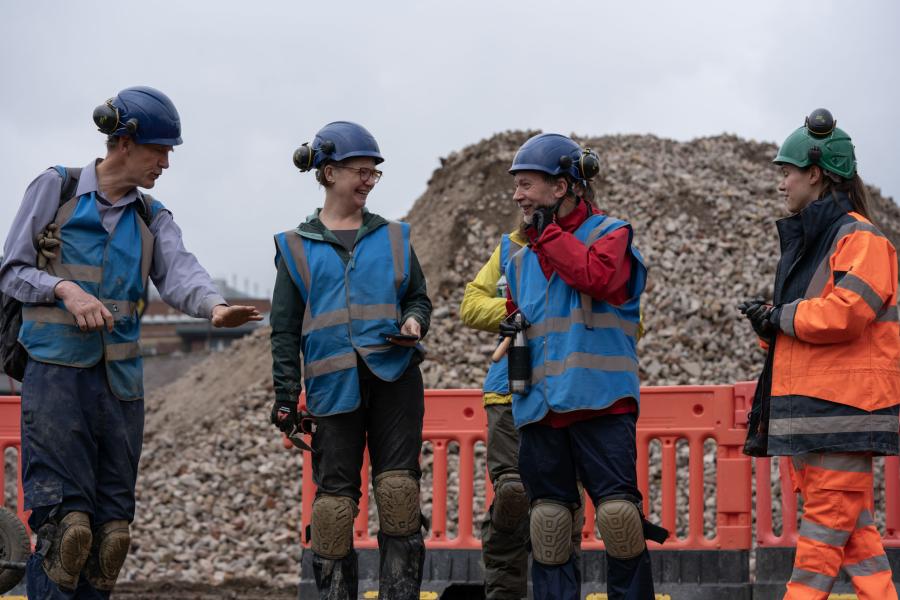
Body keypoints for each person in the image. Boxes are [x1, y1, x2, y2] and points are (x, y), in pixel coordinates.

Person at [0, 86, 262, 599]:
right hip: (56, 380)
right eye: (158, 150)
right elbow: (11, 270)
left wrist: (214, 307)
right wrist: (63, 289)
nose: (165, 162)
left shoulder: (150, 216)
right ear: (123, 142)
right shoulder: (56, 189)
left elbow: (181, 272)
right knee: (65, 532)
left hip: (120, 388)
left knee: (109, 538)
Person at [740, 109, 899, 600]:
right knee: (855, 539)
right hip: (813, 415)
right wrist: (770, 324)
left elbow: (847, 314)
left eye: (785, 171)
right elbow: (806, 327)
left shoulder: (862, 239)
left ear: (815, 173)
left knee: (821, 543)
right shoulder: (813, 242)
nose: (781, 182)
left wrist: (780, 316)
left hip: (839, 416)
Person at [270, 121, 432, 599]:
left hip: (395, 378)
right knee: (334, 511)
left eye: (373, 173)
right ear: (327, 173)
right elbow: (283, 330)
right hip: (331, 388)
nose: (367, 180)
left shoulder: (396, 237)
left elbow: (418, 298)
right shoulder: (294, 247)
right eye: (360, 171)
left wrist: (415, 321)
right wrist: (284, 398)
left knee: (400, 496)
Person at [501, 133, 665, 600]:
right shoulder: (516, 261)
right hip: (539, 408)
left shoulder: (612, 234)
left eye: (527, 184)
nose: (518, 195)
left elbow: (596, 278)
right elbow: (520, 326)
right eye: (517, 185)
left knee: (619, 521)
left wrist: (548, 235)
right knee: (549, 527)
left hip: (601, 402)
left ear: (562, 187)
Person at [459, 223, 532, 598]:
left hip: (568, 395)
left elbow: (631, 318)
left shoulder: (595, 242)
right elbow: (470, 305)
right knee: (513, 495)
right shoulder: (510, 247)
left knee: (559, 512)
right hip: (507, 391)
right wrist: (513, 308)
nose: (519, 195)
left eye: (527, 184)